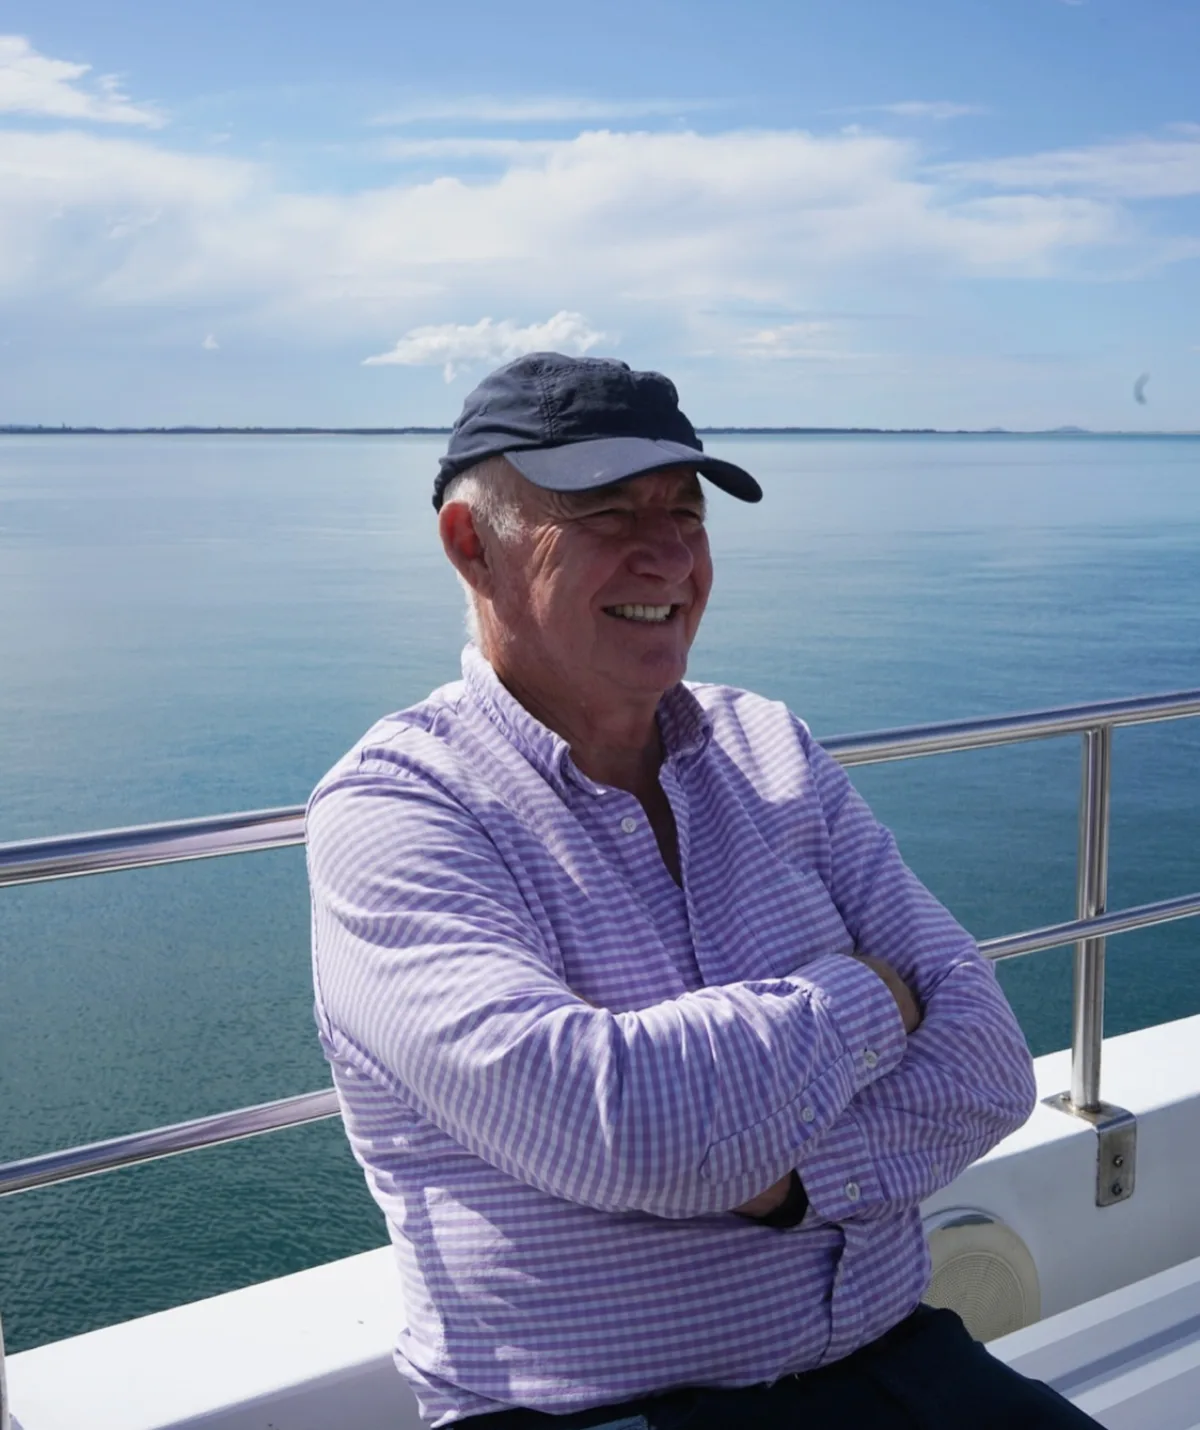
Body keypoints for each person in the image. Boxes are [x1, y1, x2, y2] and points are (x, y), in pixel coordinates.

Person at [306, 352, 1098, 1429]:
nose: (671, 553)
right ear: (471, 544)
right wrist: (870, 998)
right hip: (600, 1415)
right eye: (607, 511)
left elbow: (990, 1059)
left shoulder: (769, 745)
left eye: (685, 510)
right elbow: (612, 1122)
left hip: (896, 1356)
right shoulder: (399, 809)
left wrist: (790, 1181)